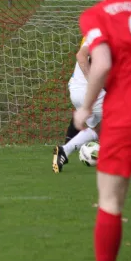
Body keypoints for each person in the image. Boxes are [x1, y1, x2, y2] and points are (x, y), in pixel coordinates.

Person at [73, 0, 131, 261]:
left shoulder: (95, 16)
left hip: (125, 115)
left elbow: (103, 63)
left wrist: (84, 108)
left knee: (111, 202)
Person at [52, 36, 105, 173]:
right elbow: (81, 56)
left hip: (76, 90)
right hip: (91, 91)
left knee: (99, 130)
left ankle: (64, 150)